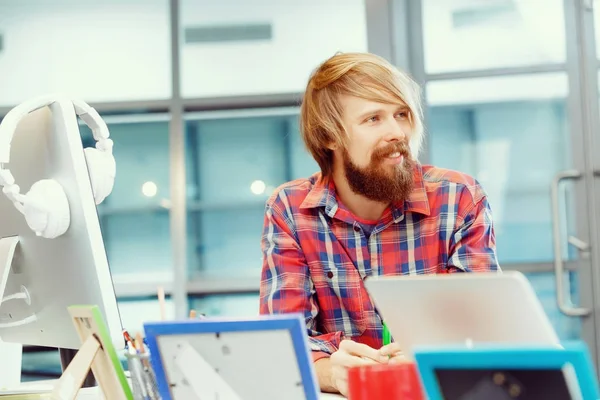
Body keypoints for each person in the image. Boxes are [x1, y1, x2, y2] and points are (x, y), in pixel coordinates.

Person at [259, 52, 500, 396]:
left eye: (401, 114)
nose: (396, 132)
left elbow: (486, 328)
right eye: (373, 118)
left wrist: (433, 355)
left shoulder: (459, 197)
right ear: (329, 136)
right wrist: (329, 372)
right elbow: (281, 343)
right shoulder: (289, 210)